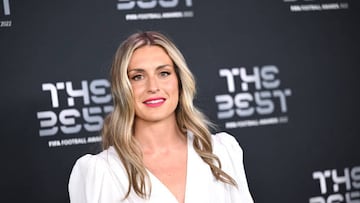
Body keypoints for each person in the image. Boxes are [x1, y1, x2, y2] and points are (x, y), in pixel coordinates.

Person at [68, 31, 254, 203]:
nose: (153, 87)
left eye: (164, 73)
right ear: (122, 88)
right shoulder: (100, 172)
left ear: (179, 82)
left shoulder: (222, 152)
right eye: (138, 76)